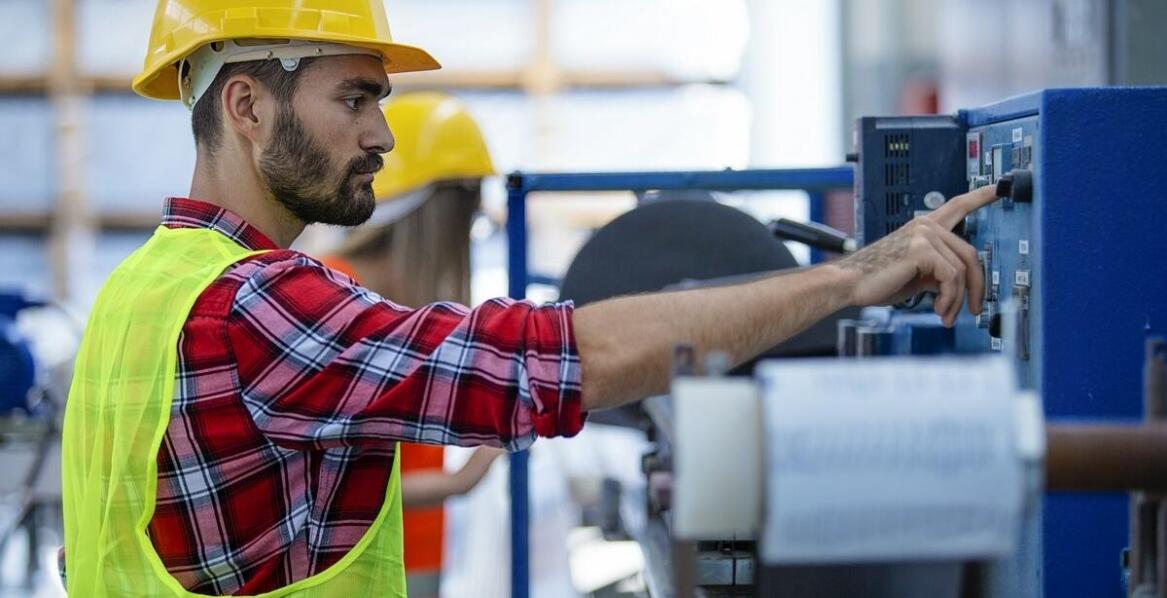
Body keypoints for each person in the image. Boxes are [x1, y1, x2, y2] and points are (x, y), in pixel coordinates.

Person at [60, 0, 1000, 595]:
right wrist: (853, 274)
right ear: (247, 107)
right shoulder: (259, 307)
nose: (383, 134)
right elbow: (543, 365)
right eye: (354, 98)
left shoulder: (137, 292)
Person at [321, 91, 501, 598]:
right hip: (357, 572)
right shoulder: (337, 304)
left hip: (414, 557)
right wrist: (461, 480)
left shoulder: (400, 311)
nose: (465, 240)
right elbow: (319, 483)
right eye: (463, 220)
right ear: (431, 221)